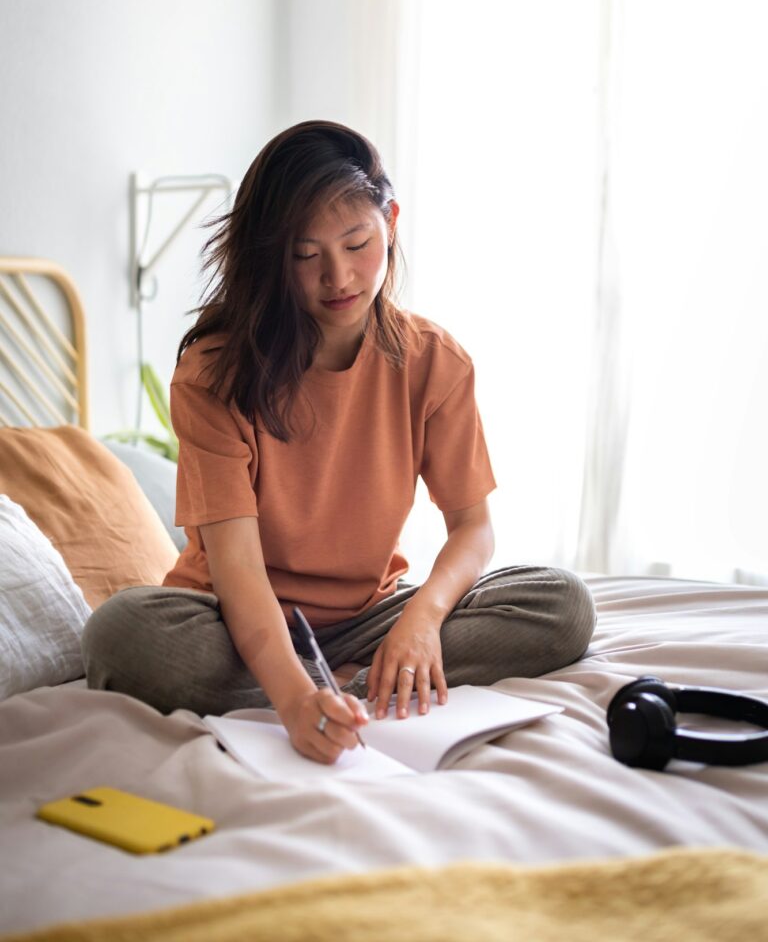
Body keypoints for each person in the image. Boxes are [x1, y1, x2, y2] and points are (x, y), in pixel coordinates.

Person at [82, 120, 596, 764]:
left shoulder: (435, 362)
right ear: (273, 256)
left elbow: (473, 529)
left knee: (561, 603)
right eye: (305, 255)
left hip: (370, 614)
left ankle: (358, 679)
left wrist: (422, 621)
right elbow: (237, 569)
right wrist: (296, 701)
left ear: (392, 223)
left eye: (358, 243)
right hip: (231, 617)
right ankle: (344, 687)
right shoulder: (215, 373)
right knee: (123, 633)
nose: (339, 277)